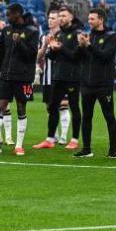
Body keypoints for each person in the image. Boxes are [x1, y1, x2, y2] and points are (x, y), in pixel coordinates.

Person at [0, 3, 40, 156]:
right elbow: (1, 53)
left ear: (18, 14)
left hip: (23, 77)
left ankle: (19, 145)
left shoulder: (32, 31)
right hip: (6, 76)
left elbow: (32, 55)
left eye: (10, 14)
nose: (7, 17)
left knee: (21, 109)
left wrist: (19, 42)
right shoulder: (6, 30)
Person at [73, 8, 116, 159]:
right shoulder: (88, 36)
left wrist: (89, 45)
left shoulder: (111, 36)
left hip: (104, 85)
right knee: (86, 116)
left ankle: (113, 150)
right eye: (89, 18)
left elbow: (105, 56)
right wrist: (80, 46)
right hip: (86, 84)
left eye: (92, 19)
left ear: (101, 19)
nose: (89, 21)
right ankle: (86, 149)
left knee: (109, 116)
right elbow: (76, 58)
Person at [37, 6, 84, 150]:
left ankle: (74, 139)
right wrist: (51, 47)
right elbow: (52, 57)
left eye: (63, 16)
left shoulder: (77, 34)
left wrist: (61, 47)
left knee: (74, 107)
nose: (61, 18)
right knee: (52, 107)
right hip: (58, 76)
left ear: (71, 17)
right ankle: (50, 138)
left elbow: (76, 56)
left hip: (72, 77)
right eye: (60, 16)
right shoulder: (59, 35)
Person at [36, 9, 70, 144]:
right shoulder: (43, 36)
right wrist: (45, 45)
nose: (50, 20)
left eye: (53, 18)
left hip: (62, 76)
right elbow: (38, 57)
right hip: (47, 77)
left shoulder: (64, 35)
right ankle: (53, 136)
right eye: (49, 18)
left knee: (63, 105)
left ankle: (63, 136)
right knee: (50, 107)